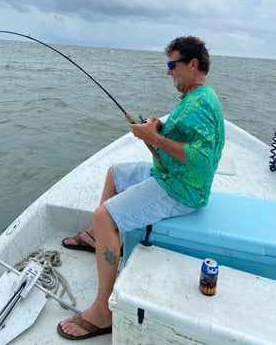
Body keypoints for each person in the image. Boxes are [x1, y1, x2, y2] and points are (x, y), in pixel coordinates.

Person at [57, 36, 225, 340]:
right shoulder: (197, 97)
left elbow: (200, 161)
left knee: (105, 215)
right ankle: (99, 240)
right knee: (115, 173)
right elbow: (187, 138)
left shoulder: (198, 105)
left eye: (173, 65)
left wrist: (156, 138)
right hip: (172, 174)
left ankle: (103, 312)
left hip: (182, 189)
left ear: (194, 64)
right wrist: (157, 127)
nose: (169, 71)